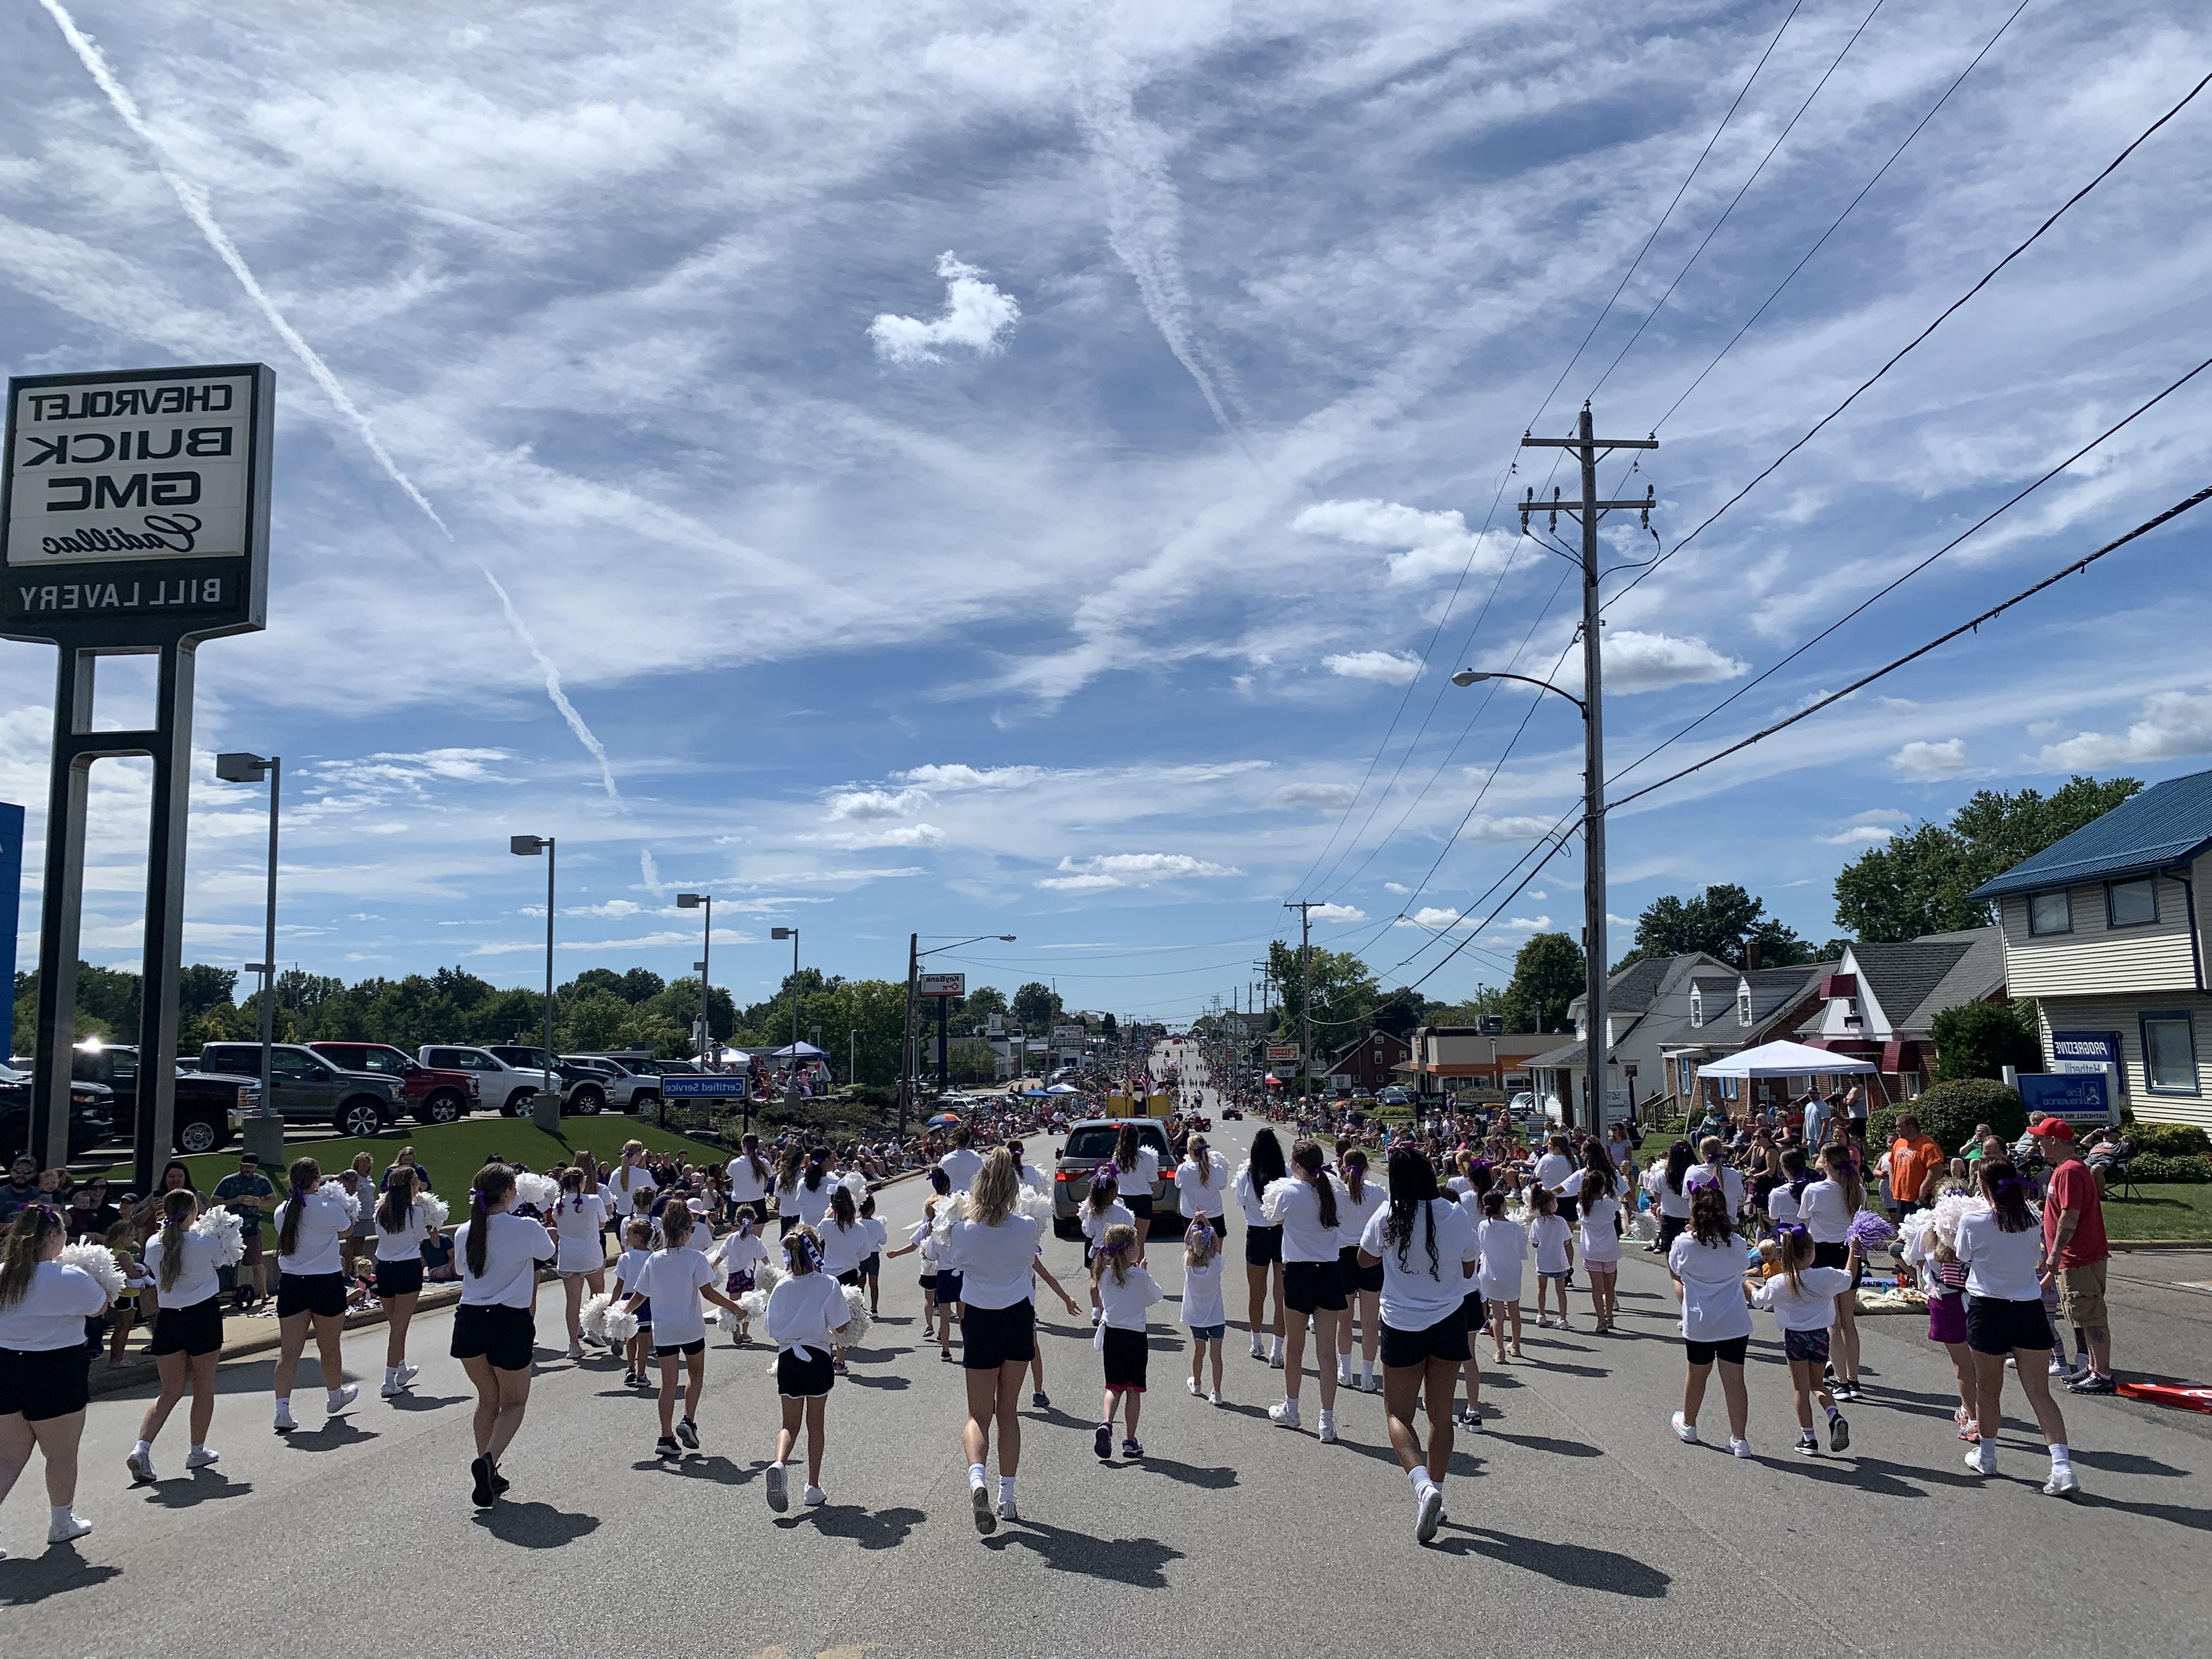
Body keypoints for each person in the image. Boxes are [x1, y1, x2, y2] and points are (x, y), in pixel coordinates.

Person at [939, 1148, 1081, 1533]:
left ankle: (978, 1479)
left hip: (980, 1320)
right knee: (1009, 1413)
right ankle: (1009, 1496)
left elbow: (948, 1261)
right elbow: (1026, 1261)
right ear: (1013, 1189)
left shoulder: (963, 1230)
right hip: (1017, 1317)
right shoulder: (1026, 1229)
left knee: (977, 1415)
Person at [1357, 1148, 1480, 1544]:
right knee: (1441, 1416)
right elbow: (1468, 1265)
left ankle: (1423, 1486)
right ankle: (1438, 1494)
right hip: (1448, 1320)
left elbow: (1363, 1259)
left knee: (1397, 1414)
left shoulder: (1389, 1216)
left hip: (1402, 1323)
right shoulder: (1453, 1213)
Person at [1957, 1158, 2078, 1496]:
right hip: (2028, 1308)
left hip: (1988, 1309)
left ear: (1984, 1186)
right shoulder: (2031, 1219)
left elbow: (1963, 1255)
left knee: (1987, 1388)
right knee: (2040, 1392)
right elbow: (2034, 1257)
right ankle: (2062, 1467)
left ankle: (1989, 1454)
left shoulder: (1974, 1219)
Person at [0, 1202, 110, 1549]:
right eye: (63, 1231)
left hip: (6, 1368)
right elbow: (100, 1306)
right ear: (51, 1236)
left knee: (7, 1459)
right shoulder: (70, 1277)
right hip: (57, 1369)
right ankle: (61, 1523)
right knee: (61, 1455)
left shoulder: (3, 1273)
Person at [451, 1163, 556, 1506]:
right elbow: (549, 1253)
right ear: (509, 1194)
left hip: (469, 1319)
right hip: (508, 1320)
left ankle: (489, 1471)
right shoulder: (526, 1226)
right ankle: (488, 1460)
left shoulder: (466, 1230)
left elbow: (462, 1270)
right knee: (514, 1402)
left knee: (487, 1399)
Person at [620, 1201, 743, 1460]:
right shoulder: (696, 1258)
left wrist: (620, 1315)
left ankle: (665, 1437)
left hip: (664, 1330)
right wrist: (736, 1308)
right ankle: (688, 1420)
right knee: (696, 1375)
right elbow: (708, 1293)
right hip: (691, 1328)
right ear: (687, 1231)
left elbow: (639, 1295)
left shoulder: (654, 1259)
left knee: (667, 1384)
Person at [131, 1188, 227, 1483]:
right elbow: (222, 1262)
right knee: (203, 1386)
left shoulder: (152, 1243)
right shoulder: (204, 1242)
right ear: (193, 1212)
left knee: (169, 1391)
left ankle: (141, 1447)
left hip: (169, 1320)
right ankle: (196, 1450)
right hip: (203, 1317)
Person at [762, 1223, 851, 1511]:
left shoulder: (781, 1286)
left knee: (789, 1424)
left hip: (788, 1358)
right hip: (817, 1358)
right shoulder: (828, 1284)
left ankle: (779, 1462)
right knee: (816, 1424)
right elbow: (841, 1325)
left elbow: (771, 1327)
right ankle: (813, 1486)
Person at [1263, 1139, 1346, 1441]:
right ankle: (1327, 1421)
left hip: (1299, 1272)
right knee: (1327, 1352)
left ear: (1297, 1166)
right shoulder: (1334, 1189)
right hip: (1329, 1271)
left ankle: (1293, 1408)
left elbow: (1271, 1217)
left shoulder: (1286, 1191)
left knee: (1294, 1348)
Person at [269, 1159, 358, 1435]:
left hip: (293, 1284)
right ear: (317, 1180)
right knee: (329, 1347)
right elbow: (348, 1230)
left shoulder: (282, 1210)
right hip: (325, 1283)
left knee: (289, 1351)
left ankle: (282, 1410)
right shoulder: (328, 1208)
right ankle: (335, 1396)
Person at [1749, 1228, 1853, 1457]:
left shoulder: (1779, 1282)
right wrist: (1854, 1250)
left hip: (1795, 1337)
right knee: (1818, 1384)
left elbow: (1757, 1301)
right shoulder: (1825, 1275)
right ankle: (1834, 1415)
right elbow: (1848, 1277)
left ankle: (1809, 1439)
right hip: (1820, 1335)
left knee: (1800, 1389)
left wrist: (1747, 1285)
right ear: (1810, 1253)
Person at [1668, 1184, 1752, 1456]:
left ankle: (1689, 1424)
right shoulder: (1737, 1243)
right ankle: (1739, 1440)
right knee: (1735, 1380)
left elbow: (1676, 1271)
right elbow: (1741, 1268)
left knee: (1697, 1374)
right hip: (1734, 1319)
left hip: (1700, 1320)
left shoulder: (1684, 1244)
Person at [2032, 1119, 2114, 1394]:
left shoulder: (2070, 1171)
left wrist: (2055, 1253)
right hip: (2073, 1257)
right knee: (2082, 1316)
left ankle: (2102, 1373)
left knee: (2091, 1316)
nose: (2037, 1143)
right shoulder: (2064, 1170)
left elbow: (2070, 1215)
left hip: (2080, 1257)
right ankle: (2092, 1368)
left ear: (2054, 1141)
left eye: (2041, 1138)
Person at [1090, 1223, 1163, 1460]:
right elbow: (1156, 1296)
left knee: (1113, 1386)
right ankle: (1130, 1441)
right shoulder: (1139, 1276)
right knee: (1134, 1390)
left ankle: (1106, 1423)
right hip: (1135, 1337)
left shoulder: (1103, 1274)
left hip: (1112, 1335)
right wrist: (1143, 1272)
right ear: (1131, 1249)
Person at [1801, 1143, 1864, 1400]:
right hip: (1849, 1253)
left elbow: (1803, 1224)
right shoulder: (1856, 1189)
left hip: (1823, 1255)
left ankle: (1841, 1382)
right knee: (1848, 1321)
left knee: (1833, 1322)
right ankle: (1853, 1379)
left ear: (1826, 1162)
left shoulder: (1814, 1190)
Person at [373, 1166, 438, 1397]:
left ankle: (401, 1370)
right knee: (399, 1328)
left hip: (384, 1269)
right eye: (415, 1184)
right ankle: (389, 1380)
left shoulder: (381, 1212)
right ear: (409, 1187)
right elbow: (421, 1237)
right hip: (407, 1269)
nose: (418, 1187)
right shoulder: (414, 1213)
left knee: (396, 1325)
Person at [1234, 1128, 1289, 1366]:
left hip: (1256, 1235)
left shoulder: (1246, 1175)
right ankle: (1277, 1351)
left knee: (1257, 1293)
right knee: (1281, 1295)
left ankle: (1256, 1341)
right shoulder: (1285, 1173)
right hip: (1280, 1234)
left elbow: (1241, 1203)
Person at [1335, 1147, 1387, 1391]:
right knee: (1369, 1323)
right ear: (1366, 1169)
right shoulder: (1378, 1193)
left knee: (1344, 1321)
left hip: (1344, 1257)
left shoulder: (1337, 1193)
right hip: (1371, 1257)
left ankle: (1345, 1372)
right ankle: (1367, 1376)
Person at [211, 1153, 276, 1308]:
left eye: (251, 1167)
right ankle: (222, 1292)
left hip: (251, 1225)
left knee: (257, 1261)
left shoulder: (262, 1181)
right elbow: (215, 1200)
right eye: (245, 1166)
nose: (247, 1169)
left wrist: (259, 1202)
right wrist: (235, 1201)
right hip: (229, 1228)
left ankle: (264, 1294)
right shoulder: (229, 1181)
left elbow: (273, 1200)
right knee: (225, 1262)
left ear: (256, 1167)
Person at [1181, 1218, 1227, 1403]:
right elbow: (1215, 1240)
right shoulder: (1216, 1262)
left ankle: (1198, 1384)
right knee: (1216, 1356)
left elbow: (1186, 1241)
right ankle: (1216, 1392)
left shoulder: (1188, 1263)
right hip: (1215, 1317)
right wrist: (1206, 1221)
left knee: (1198, 1352)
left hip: (1196, 1318)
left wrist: (1194, 1221)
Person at [1079, 1167, 1134, 1321]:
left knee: (1096, 1281)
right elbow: (1130, 1231)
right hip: (1119, 1253)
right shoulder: (1123, 1213)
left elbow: (1088, 1232)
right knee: (1118, 1279)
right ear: (1112, 1193)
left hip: (1099, 1253)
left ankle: (1096, 1311)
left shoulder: (1093, 1213)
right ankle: (1113, 1310)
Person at [1173, 1134, 1229, 1244]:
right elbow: (1223, 1186)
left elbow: (1178, 1185)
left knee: (1192, 1253)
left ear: (1189, 1150)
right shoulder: (1218, 1169)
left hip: (1191, 1216)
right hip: (1214, 1215)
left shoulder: (1182, 1169)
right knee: (1215, 1255)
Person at [1112, 1122, 1161, 1248]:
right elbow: (1153, 1181)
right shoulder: (1147, 1158)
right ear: (1137, 1139)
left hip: (1123, 1201)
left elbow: (1114, 1179)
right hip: (1143, 1201)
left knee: (1123, 1243)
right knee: (1139, 1243)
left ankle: (1125, 1267)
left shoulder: (1117, 1158)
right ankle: (1139, 1267)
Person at [1888, 1114, 1945, 1220]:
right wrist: (1892, 1182)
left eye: (1899, 1126)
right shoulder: (1899, 1143)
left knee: (1920, 1231)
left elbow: (1937, 1170)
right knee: (1904, 1231)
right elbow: (1891, 1162)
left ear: (1911, 1126)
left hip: (1920, 1198)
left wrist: (1924, 1187)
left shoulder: (1928, 1146)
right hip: (1901, 1196)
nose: (1897, 1130)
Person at [938, 1126, 984, 1195]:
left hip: (952, 1198)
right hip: (972, 1198)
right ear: (969, 1140)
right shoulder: (977, 1158)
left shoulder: (946, 1159)